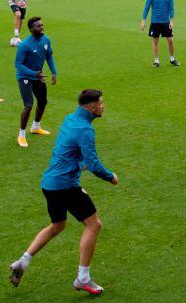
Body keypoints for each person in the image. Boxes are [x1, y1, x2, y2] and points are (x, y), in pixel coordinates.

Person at [7, 89, 118, 295]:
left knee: (57, 225)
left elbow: (66, 147)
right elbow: (94, 165)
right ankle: (82, 278)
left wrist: (79, 162)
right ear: (92, 107)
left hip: (49, 183)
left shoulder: (70, 119)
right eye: (101, 103)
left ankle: (22, 262)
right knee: (94, 225)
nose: (103, 106)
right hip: (65, 185)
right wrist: (111, 177)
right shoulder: (85, 129)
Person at [15, 16, 58, 148]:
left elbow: (49, 55)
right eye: (39, 26)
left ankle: (35, 127)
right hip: (25, 77)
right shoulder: (25, 45)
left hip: (38, 75)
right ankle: (21, 135)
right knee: (28, 105)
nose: (42, 28)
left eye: (42, 25)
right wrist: (34, 73)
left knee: (43, 101)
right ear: (31, 29)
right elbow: (18, 64)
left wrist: (54, 72)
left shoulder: (46, 40)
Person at [140, 0, 179, 67]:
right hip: (155, 22)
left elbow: (171, 9)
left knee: (170, 40)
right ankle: (156, 61)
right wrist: (143, 22)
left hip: (166, 22)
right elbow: (146, 9)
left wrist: (171, 21)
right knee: (155, 41)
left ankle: (172, 59)